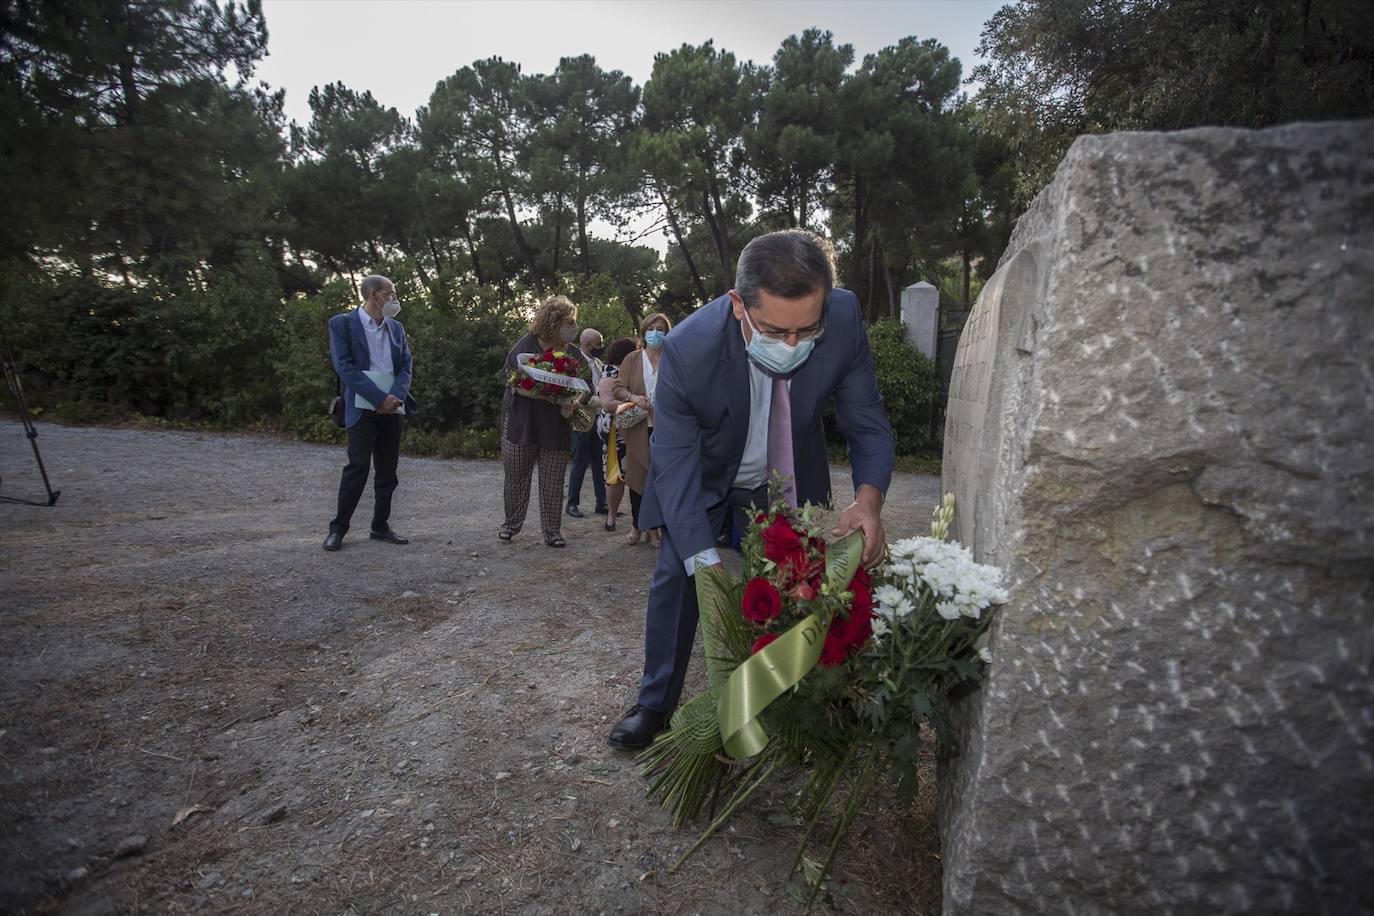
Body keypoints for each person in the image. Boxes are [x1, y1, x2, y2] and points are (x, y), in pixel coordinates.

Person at [606, 230, 896, 751]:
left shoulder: (846, 318)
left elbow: (867, 423)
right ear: (739, 306)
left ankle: (793, 704)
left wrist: (868, 499)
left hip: (781, 484)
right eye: (775, 330)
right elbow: (672, 462)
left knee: (797, 588)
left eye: (808, 330)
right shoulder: (688, 349)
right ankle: (654, 704)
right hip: (707, 482)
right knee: (680, 575)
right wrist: (704, 559)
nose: (792, 346)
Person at [323, 274, 417, 551]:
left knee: (388, 470)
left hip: (393, 408)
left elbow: (406, 367)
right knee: (358, 467)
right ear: (374, 294)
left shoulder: (396, 328)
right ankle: (338, 529)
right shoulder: (342, 324)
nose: (394, 299)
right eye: (390, 293)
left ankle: (380, 526)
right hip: (362, 407)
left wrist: (395, 397)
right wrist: (377, 398)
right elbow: (344, 367)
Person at [498, 295, 588, 548]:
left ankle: (552, 532)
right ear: (552, 321)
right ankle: (510, 525)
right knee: (516, 477)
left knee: (553, 480)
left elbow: (586, 386)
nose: (573, 326)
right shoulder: (526, 344)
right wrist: (540, 392)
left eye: (574, 321)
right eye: (568, 321)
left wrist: (575, 400)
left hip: (556, 426)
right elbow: (510, 377)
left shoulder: (574, 354)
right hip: (521, 423)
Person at [612, 313, 673, 548]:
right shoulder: (633, 358)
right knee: (638, 480)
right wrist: (633, 397)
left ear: (667, 333)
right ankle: (638, 525)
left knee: (659, 479)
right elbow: (618, 387)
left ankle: (654, 528)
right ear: (644, 332)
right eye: (651, 328)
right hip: (638, 427)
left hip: (666, 429)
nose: (655, 333)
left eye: (660, 329)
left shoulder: (672, 357)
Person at [566, 327, 607, 519]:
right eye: (598, 344)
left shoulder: (599, 363)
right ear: (586, 344)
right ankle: (572, 503)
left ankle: (602, 503)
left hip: (599, 419)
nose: (601, 347)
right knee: (580, 463)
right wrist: (606, 403)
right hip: (581, 420)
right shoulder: (573, 364)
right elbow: (576, 396)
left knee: (599, 463)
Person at [597, 336, 637, 532]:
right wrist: (637, 402)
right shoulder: (610, 374)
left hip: (638, 428)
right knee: (616, 475)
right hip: (616, 431)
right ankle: (611, 516)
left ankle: (640, 523)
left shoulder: (637, 370)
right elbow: (607, 404)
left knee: (639, 475)